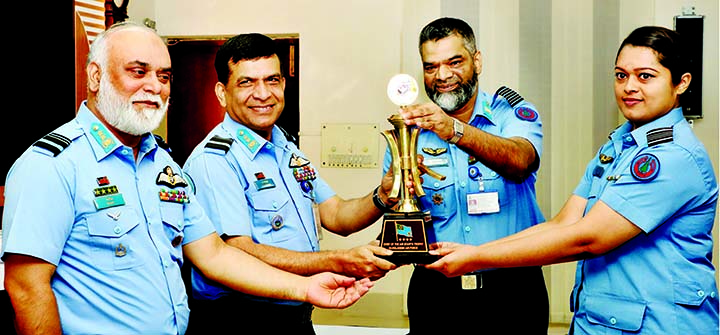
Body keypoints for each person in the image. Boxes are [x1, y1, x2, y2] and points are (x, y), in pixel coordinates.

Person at [1, 21, 373, 335]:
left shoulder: (162, 164)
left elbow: (213, 253)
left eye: (163, 76)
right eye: (137, 71)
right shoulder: (51, 165)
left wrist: (307, 289)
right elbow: (27, 288)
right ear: (96, 76)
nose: (154, 86)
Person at [426, 26, 719, 335]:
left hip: (659, 325)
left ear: (681, 83)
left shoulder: (673, 156)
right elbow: (564, 223)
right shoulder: (620, 144)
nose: (629, 86)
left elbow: (588, 239)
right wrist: (469, 252)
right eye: (621, 75)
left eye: (645, 76)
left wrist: (475, 257)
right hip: (601, 322)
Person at [182, 33, 400, 334]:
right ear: (222, 93)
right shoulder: (215, 160)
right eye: (247, 82)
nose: (263, 93)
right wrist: (340, 260)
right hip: (241, 321)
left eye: (272, 80)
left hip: (295, 316)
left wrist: (383, 195)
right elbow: (238, 251)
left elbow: (336, 214)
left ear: (283, 84)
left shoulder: (286, 149)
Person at [384, 17, 549, 334]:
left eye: (454, 62)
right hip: (436, 292)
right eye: (431, 66)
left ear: (477, 60)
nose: (442, 76)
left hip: (513, 291)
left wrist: (455, 130)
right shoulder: (409, 131)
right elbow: (400, 212)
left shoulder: (511, 114)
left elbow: (520, 161)